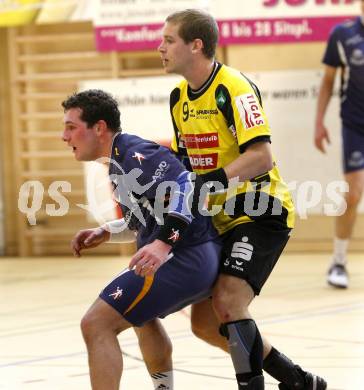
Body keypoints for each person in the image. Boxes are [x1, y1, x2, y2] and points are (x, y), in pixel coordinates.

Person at [156, 8, 327, 390]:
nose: (160, 47)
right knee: (204, 324)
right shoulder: (178, 96)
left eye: (169, 40)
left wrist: (210, 182)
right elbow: (187, 162)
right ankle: (299, 381)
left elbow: (261, 156)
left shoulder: (233, 87)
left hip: (260, 209)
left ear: (196, 45)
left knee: (230, 302)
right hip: (218, 218)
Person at [62, 89, 222, 390]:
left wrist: (163, 245)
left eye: (71, 127)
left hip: (188, 255)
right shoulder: (117, 161)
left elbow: (187, 187)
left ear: (98, 128)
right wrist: (106, 231)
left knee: (95, 323)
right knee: (141, 316)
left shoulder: (136, 153)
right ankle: (284, 370)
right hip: (194, 254)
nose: (64, 136)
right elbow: (145, 220)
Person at [314, 0, 364, 289]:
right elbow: (328, 81)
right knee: (353, 193)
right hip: (355, 125)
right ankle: (339, 261)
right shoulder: (342, 34)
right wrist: (319, 122)